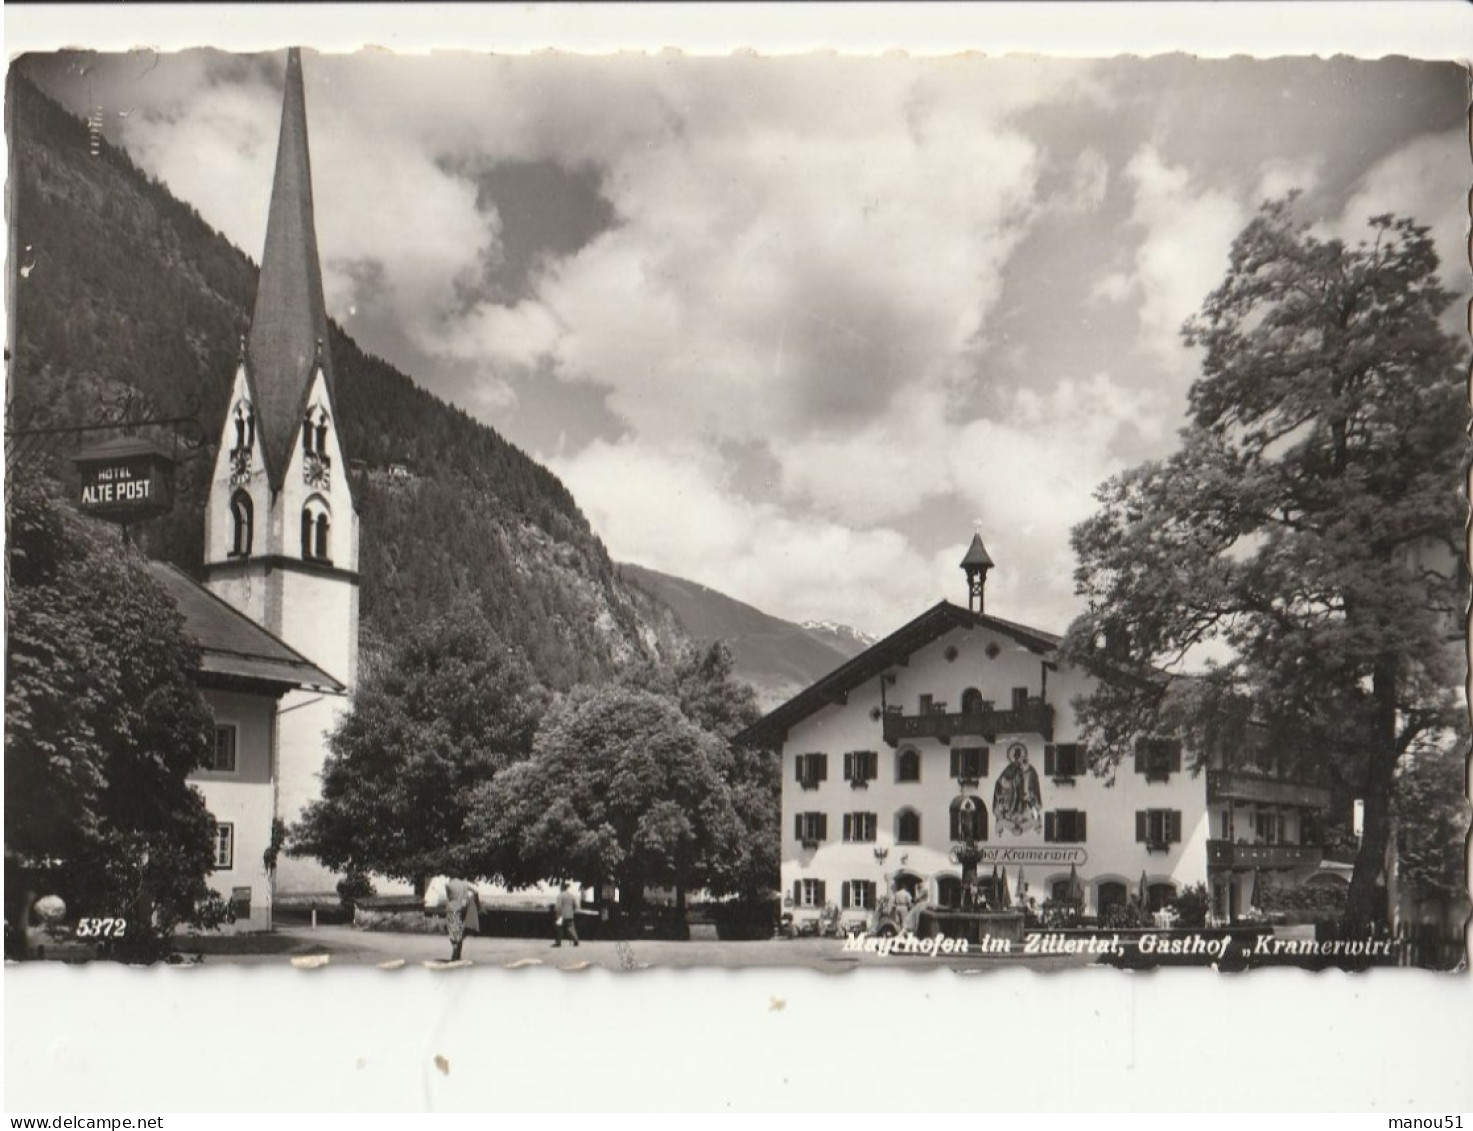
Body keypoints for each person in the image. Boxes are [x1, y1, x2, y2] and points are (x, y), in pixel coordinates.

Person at [445, 878, 480, 962]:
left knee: (453, 935)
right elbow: (475, 892)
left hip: (452, 910)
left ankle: (454, 957)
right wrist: (472, 903)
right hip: (463, 910)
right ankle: (457, 957)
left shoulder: (448, 885)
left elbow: (449, 897)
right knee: (460, 935)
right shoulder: (465, 884)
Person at [552, 881, 580, 947]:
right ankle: (576, 940)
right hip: (570, 915)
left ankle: (558, 942)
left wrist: (557, 914)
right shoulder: (571, 895)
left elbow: (558, 906)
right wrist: (571, 911)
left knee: (559, 928)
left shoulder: (560, 895)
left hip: (561, 915)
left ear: (562, 887)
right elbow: (575, 906)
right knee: (571, 928)